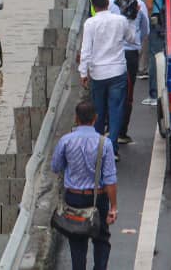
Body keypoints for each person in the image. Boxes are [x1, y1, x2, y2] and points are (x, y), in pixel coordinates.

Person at [51, 100, 118, 270]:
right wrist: (113, 207)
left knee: (77, 239)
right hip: (98, 197)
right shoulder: (105, 144)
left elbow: (55, 167)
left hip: (73, 197)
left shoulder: (66, 141)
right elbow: (110, 179)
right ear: (95, 119)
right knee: (102, 238)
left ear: (76, 118)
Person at [79, 0, 136, 158]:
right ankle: (112, 148)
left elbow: (86, 50)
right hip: (117, 71)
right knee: (116, 110)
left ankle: (99, 148)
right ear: (108, 3)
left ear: (93, 6)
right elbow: (132, 39)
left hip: (98, 73)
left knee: (98, 110)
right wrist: (131, 20)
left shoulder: (90, 23)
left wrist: (83, 72)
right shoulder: (120, 21)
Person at [109, 0, 149, 145]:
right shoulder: (139, 5)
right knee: (128, 94)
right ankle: (121, 132)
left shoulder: (109, 5)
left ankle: (110, 128)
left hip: (112, 53)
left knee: (111, 92)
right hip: (130, 54)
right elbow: (145, 28)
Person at [142, 0, 166, 106]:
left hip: (157, 21)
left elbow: (149, 4)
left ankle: (154, 94)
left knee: (155, 57)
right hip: (168, 21)